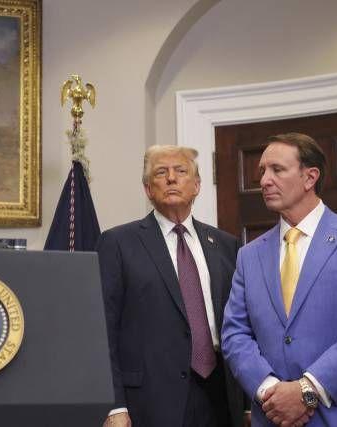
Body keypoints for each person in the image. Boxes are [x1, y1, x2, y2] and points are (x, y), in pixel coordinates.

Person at [221, 132, 337, 426]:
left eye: (277, 169)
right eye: (262, 171)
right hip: (273, 416)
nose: (264, 180)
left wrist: (306, 391)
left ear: (310, 177)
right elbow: (234, 334)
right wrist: (269, 391)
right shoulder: (248, 256)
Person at [97, 145, 247, 427]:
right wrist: (114, 405)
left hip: (220, 395)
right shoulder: (118, 243)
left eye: (180, 171)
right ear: (147, 189)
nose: (171, 178)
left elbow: (243, 324)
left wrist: (248, 403)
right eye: (160, 173)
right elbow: (103, 329)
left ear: (197, 185)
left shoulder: (226, 245)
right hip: (150, 400)